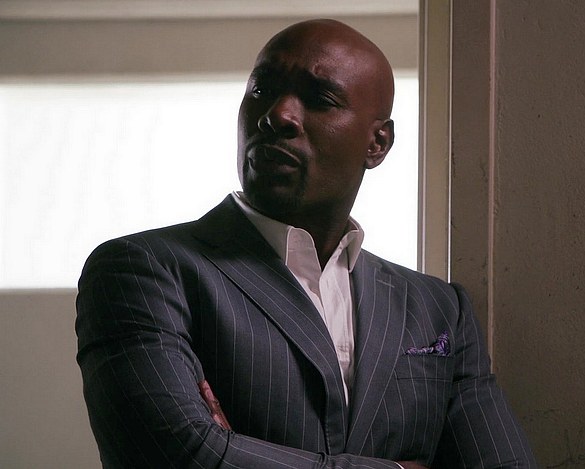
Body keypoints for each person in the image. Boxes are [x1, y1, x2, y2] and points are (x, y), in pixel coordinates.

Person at [76, 19, 536, 468]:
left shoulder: (439, 309)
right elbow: (178, 453)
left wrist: (233, 451)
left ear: (378, 143)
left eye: (319, 99)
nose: (277, 114)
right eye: (262, 89)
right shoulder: (142, 270)